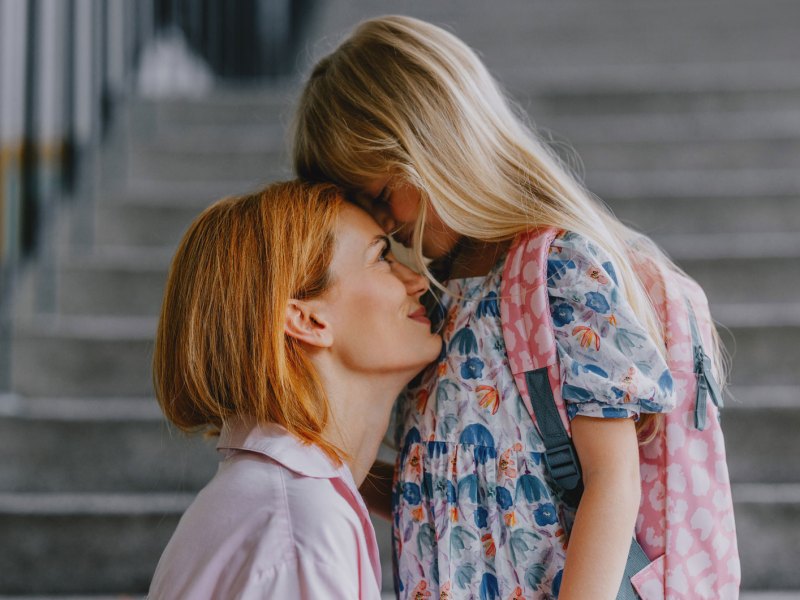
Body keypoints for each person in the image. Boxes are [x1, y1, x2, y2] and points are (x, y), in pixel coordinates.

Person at [292, 16, 729, 600]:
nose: (386, 225)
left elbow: (611, 480)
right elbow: (448, 486)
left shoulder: (556, 271)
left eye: (378, 196)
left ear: (430, 141)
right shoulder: (431, 305)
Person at [148, 180, 442, 599]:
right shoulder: (300, 528)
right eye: (382, 257)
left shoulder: (279, 504)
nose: (416, 281)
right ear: (307, 321)